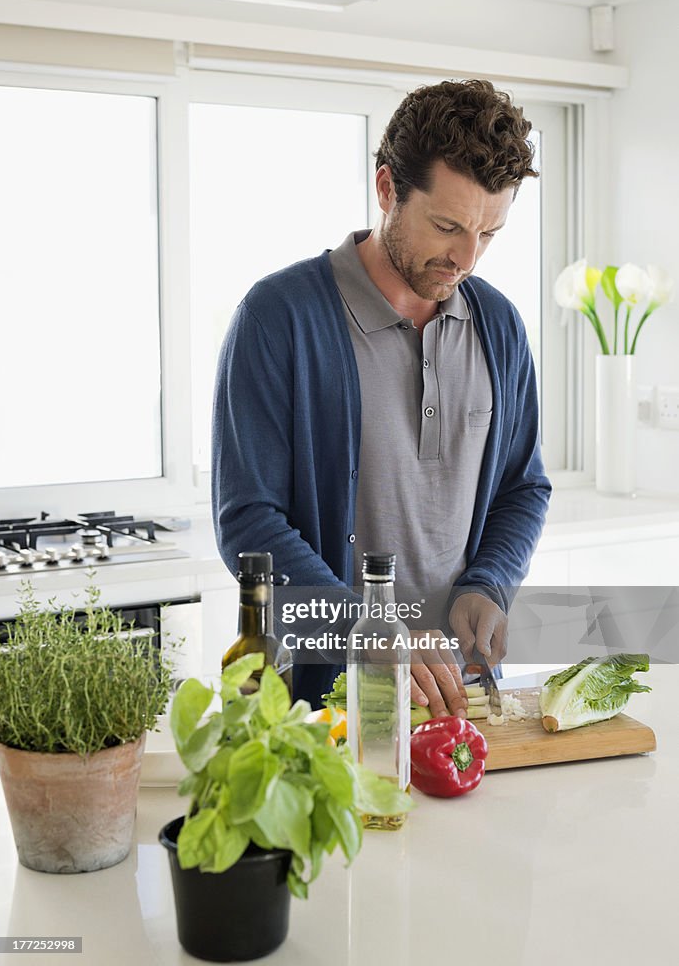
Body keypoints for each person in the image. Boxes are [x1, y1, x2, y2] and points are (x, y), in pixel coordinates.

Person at [212, 79, 551, 715]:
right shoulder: (279, 317)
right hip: (319, 704)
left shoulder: (499, 328)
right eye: (448, 226)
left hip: (457, 699)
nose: (466, 258)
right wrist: (364, 626)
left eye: (489, 234)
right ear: (388, 187)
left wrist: (490, 583)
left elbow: (522, 488)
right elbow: (247, 520)